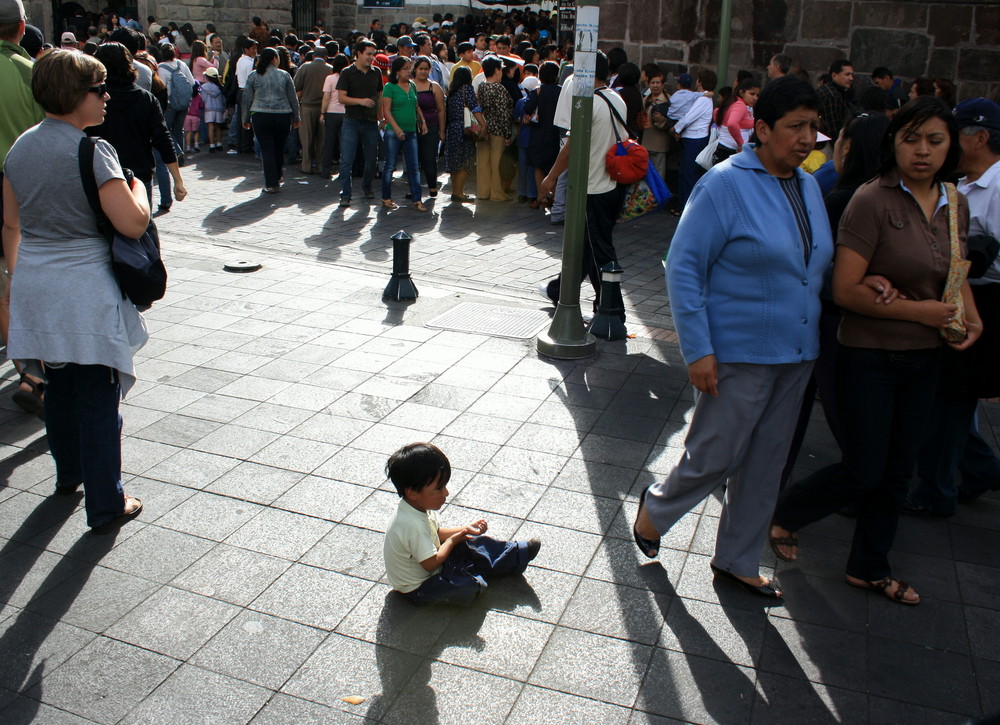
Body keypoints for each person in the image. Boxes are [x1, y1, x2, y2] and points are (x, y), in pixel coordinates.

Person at [771, 97, 982, 606]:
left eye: (935, 139)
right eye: (911, 139)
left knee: (897, 471)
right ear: (893, 144)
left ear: (950, 144)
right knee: (864, 467)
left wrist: (968, 314)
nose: (923, 151)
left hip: (925, 358)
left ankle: (869, 566)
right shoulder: (872, 200)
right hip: (869, 355)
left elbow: (954, 267)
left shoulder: (955, 201)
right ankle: (786, 512)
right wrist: (922, 313)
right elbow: (844, 290)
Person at [633, 76, 835, 600]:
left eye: (813, 127)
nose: (807, 138)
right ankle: (656, 510)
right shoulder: (725, 183)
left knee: (767, 462)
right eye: (796, 127)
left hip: (797, 350)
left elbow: (813, 265)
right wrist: (697, 349)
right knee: (715, 454)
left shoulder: (808, 185)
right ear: (761, 129)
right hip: (736, 351)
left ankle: (737, 558)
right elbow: (682, 266)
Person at [2, 49, 149, 534]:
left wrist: (24, 275)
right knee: (98, 398)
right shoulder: (92, 150)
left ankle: (69, 477)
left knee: (60, 386)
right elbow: (130, 222)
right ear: (75, 95)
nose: (106, 97)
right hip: (83, 287)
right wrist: (140, 192)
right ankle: (107, 502)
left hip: (38, 282)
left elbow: (11, 223)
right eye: (99, 89)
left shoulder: (20, 148)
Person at [907, 98, 1000, 512]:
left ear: (979, 137)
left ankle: (936, 491)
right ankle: (978, 470)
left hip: (983, 301)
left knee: (953, 398)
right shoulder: (961, 184)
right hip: (956, 297)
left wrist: (969, 260)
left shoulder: (996, 188)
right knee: (948, 398)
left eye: (946, 136)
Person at [383, 442, 541, 606]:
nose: (446, 493)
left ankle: (517, 553)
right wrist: (452, 541)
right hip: (419, 586)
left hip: (433, 561)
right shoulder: (411, 525)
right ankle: (479, 570)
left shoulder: (416, 507)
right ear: (412, 492)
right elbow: (430, 563)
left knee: (472, 544)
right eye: (439, 488)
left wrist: (465, 530)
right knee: (466, 586)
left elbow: (435, 533)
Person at [538, 51, 628, 315]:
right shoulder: (616, 99)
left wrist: (551, 176)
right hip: (612, 185)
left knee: (599, 250)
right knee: (588, 247)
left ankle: (612, 310)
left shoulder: (588, 103)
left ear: (585, 74)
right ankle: (560, 290)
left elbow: (572, 145)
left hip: (593, 188)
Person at [1, 0, 45, 416]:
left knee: (2, 287)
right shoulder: (31, 74)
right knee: (26, 280)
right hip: (21, 192)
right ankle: (34, 375)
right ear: (21, 27)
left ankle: (29, 371)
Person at [89, 42, 187, 209]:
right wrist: (178, 181)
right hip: (139, 177)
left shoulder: (94, 100)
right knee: (141, 229)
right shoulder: (146, 99)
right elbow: (163, 140)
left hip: (103, 176)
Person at [242, 46, 300, 194]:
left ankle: (271, 182)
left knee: (267, 149)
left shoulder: (254, 76)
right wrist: (296, 117)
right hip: (283, 115)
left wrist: (245, 118)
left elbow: (247, 99)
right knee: (279, 148)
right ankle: (278, 175)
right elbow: (293, 99)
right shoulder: (284, 75)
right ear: (274, 59)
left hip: (260, 115)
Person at [336, 39, 382, 208]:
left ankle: (367, 186)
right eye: (369, 54)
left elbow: (379, 96)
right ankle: (345, 194)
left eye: (373, 54)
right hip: (352, 121)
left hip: (370, 122)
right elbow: (341, 98)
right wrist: (360, 101)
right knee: (346, 159)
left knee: (371, 159)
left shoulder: (375, 72)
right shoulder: (347, 72)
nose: (372, 57)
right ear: (359, 53)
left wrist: (381, 117)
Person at [380, 56, 426, 211]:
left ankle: (417, 199)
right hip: (394, 131)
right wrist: (397, 128)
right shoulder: (390, 87)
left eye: (409, 68)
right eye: (405, 68)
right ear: (398, 71)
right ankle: (386, 197)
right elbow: (386, 110)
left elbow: (416, 105)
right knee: (390, 165)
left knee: (414, 166)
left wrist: (422, 121)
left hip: (411, 130)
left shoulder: (412, 85)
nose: (409, 71)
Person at [673, 69, 716, 215]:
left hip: (694, 140)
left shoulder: (703, 100)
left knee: (688, 174)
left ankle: (686, 206)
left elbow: (688, 118)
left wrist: (676, 129)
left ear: (700, 82)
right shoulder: (704, 99)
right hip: (694, 138)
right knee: (688, 173)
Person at [444, 65, 485, 202]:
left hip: (452, 128)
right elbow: (474, 107)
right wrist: (483, 124)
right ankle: (459, 193)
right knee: (466, 161)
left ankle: (456, 191)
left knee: (455, 161)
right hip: (465, 127)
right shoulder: (467, 89)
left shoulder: (451, 91)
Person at [475, 56, 513, 202]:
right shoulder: (499, 88)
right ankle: (497, 193)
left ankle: (483, 192)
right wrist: (508, 134)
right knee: (496, 162)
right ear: (497, 70)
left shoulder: (482, 86)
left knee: (483, 162)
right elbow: (504, 113)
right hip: (497, 130)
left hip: (483, 127)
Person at [525, 60, 561, 209]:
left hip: (539, 133)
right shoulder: (561, 91)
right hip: (556, 133)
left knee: (538, 166)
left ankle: (541, 197)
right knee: (556, 166)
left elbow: (528, 108)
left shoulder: (538, 91)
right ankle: (554, 196)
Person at [293, 46, 331, 175]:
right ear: (326, 56)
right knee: (321, 139)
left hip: (307, 107)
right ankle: (321, 166)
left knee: (306, 138)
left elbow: (296, 86)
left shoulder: (304, 67)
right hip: (324, 108)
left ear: (314, 55)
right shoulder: (330, 69)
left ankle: (306, 165)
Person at [412, 56, 445, 199]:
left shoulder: (435, 87)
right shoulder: (409, 85)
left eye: (426, 69)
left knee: (429, 159)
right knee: (413, 160)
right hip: (412, 127)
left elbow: (441, 110)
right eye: (421, 69)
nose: (423, 72)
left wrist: (442, 131)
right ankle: (414, 189)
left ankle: (432, 187)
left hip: (431, 127)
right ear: (415, 69)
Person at [714, 76, 760, 165]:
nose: (755, 98)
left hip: (724, 148)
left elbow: (716, 112)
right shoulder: (740, 105)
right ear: (741, 92)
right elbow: (732, 123)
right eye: (752, 94)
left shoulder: (733, 102)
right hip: (731, 151)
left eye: (757, 95)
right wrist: (741, 144)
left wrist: (723, 131)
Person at [319, 54, 350, 179]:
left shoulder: (330, 78)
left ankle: (325, 170)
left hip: (331, 113)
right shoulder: (348, 78)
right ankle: (344, 171)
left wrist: (322, 113)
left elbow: (326, 98)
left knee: (328, 143)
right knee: (345, 144)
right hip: (346, 113)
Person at [817, 58, 855, 143]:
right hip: (826, 144)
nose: (851, 78)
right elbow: (833, 129)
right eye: (847, 74)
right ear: (834, 75)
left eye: (852, 75)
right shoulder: (832, 96)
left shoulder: (831, 91)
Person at [200, 66, 225, 152]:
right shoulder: (220, 87)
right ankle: (219, 143)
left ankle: (212, 145)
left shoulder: (204, 87)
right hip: (219, 108)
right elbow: (223, 98)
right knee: (218, 126)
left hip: (208, 108)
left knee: (210, 126)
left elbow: (202, 99)